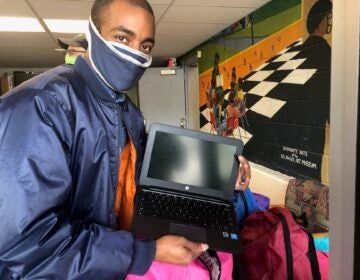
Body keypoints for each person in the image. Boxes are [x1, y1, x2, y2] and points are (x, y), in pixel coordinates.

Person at [0, 0, 251, 279]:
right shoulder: (39, 105)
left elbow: (144, 181)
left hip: (108, 267)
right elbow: (26, 244)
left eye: (145, 46)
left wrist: (226, 181)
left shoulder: (127, 112)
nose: (135, 54)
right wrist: (145, 253)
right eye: (122, 38)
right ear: (93, 35)